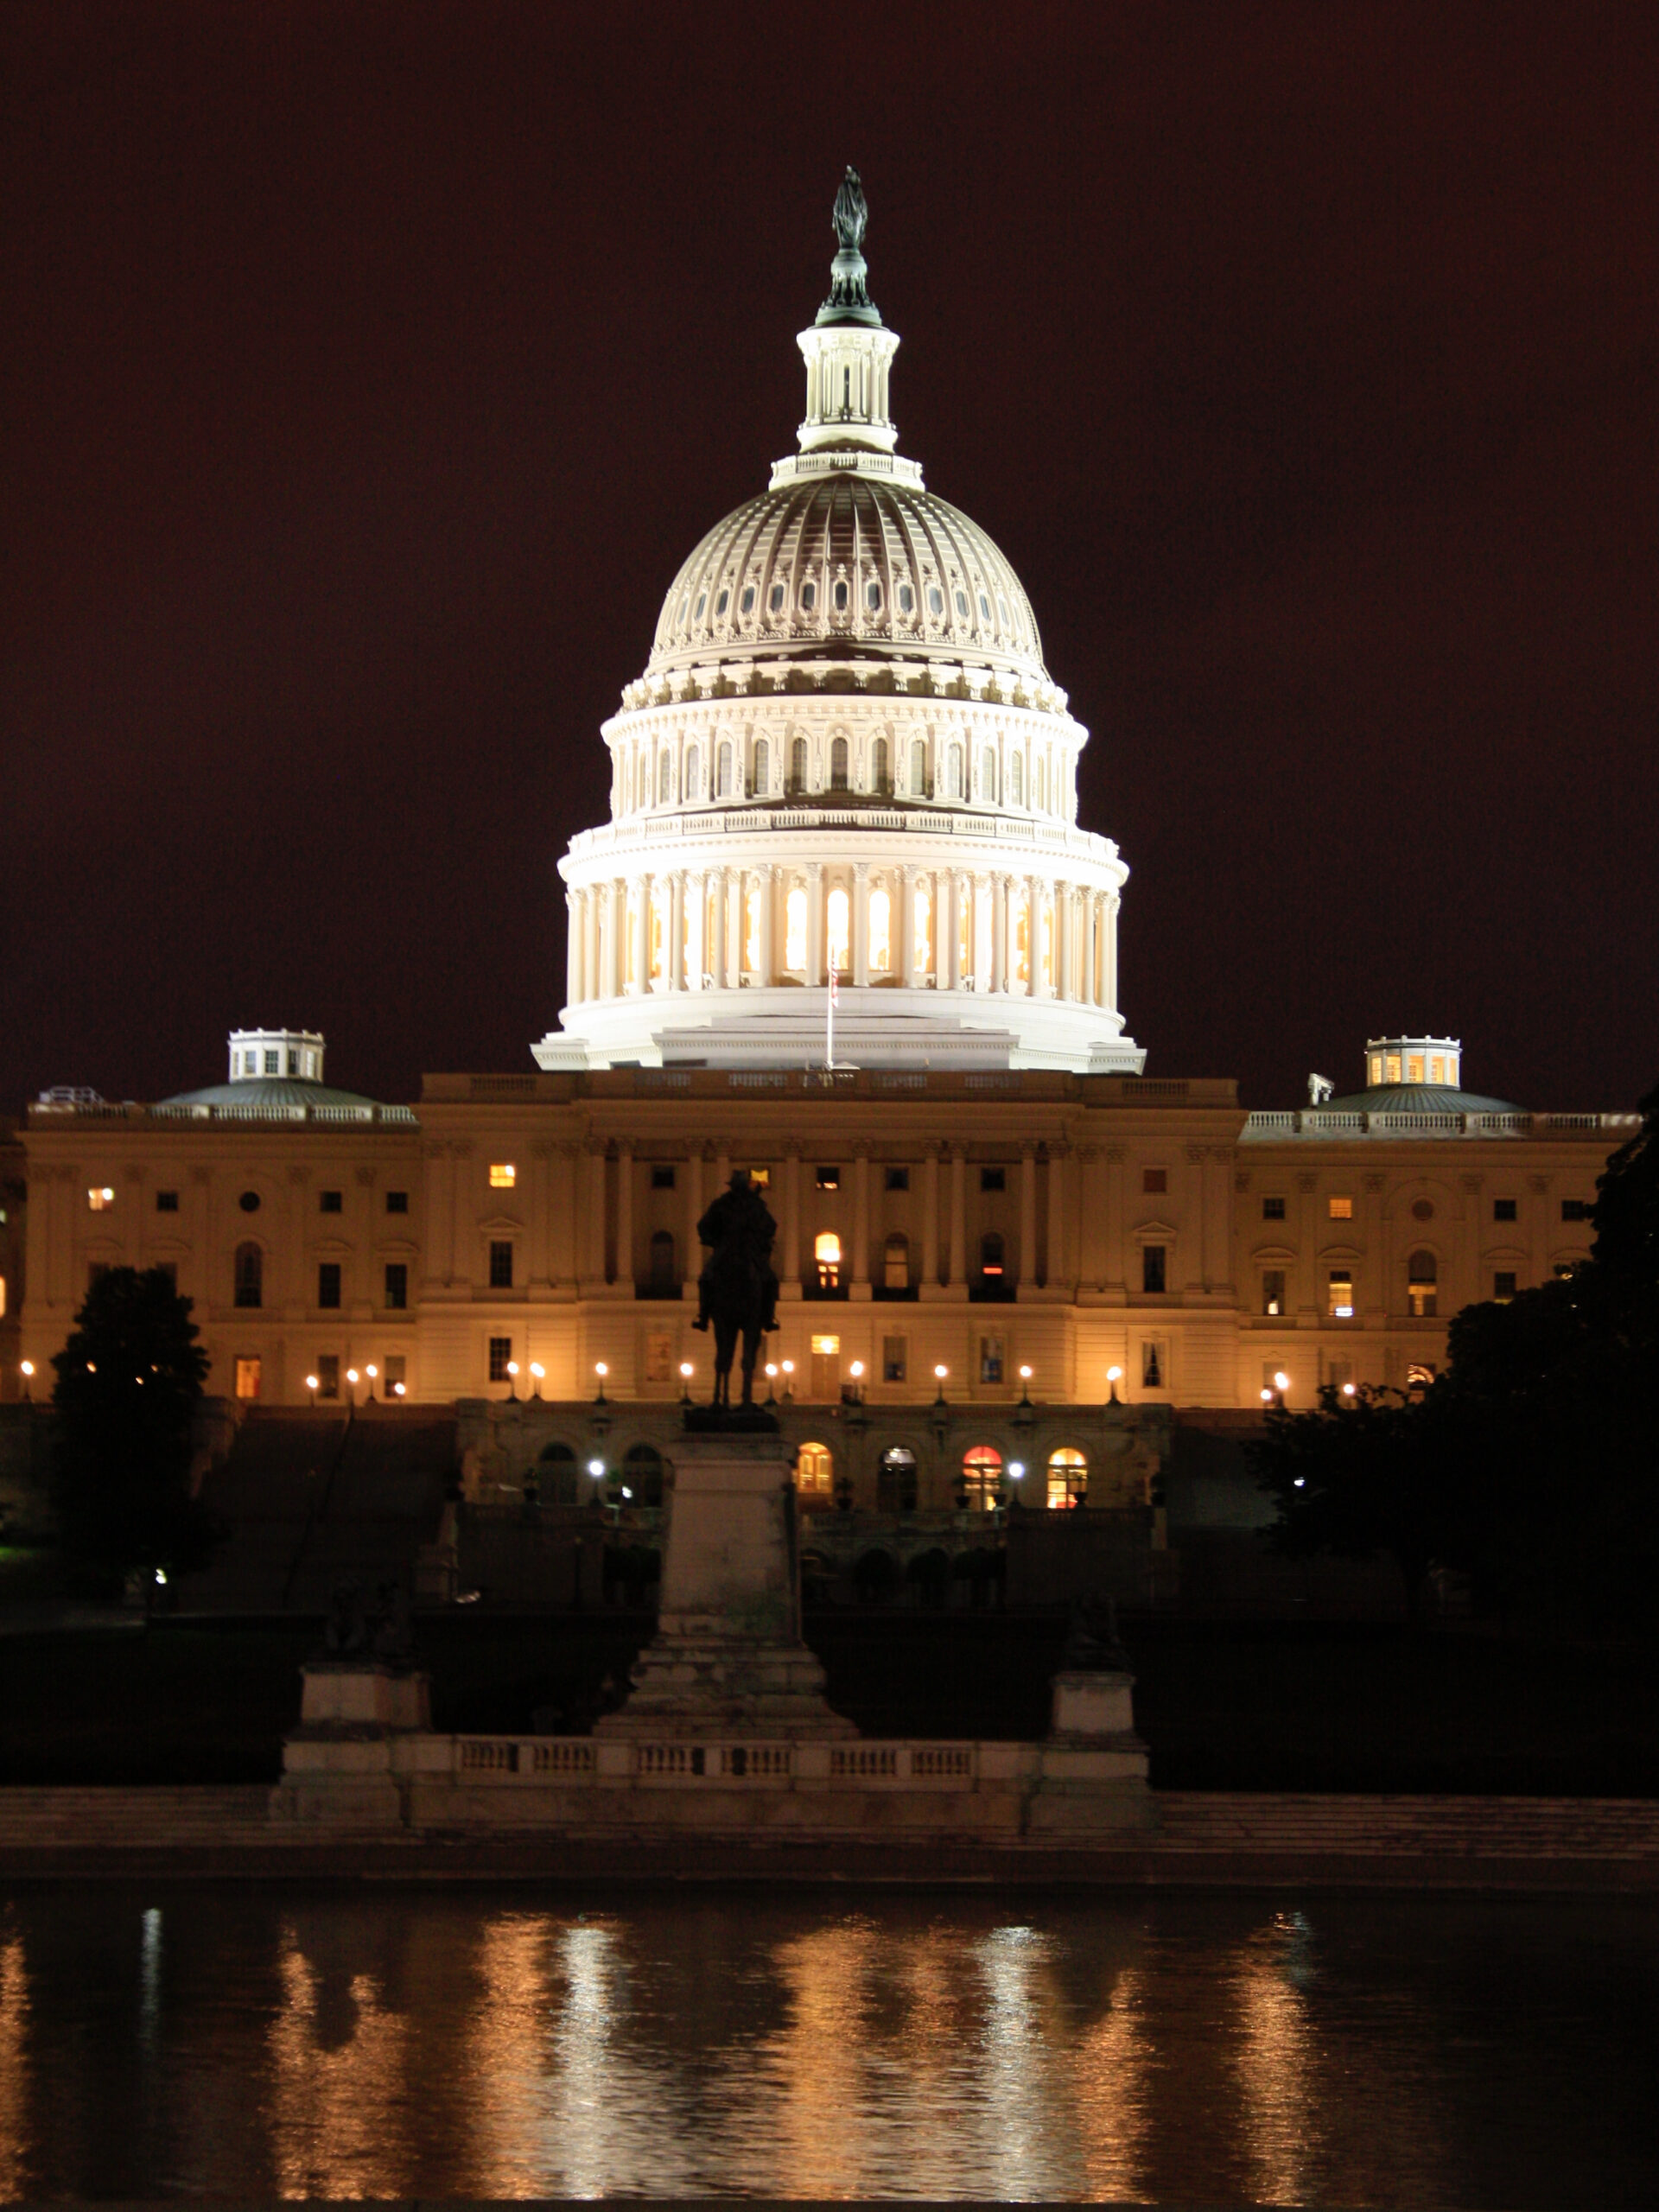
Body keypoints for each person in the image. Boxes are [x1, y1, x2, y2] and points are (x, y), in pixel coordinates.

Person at [693, 1168, 779, 1334]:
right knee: (705, 1278)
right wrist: (714, 1241)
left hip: (738, 1248)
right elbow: (703, 1226)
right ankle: (704, 1317)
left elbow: (771, 1226)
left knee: (771, 1280)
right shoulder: (724, 1204)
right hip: (735, 1248)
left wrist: (713, 1240)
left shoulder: (749, 1204)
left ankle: (703, 1317)